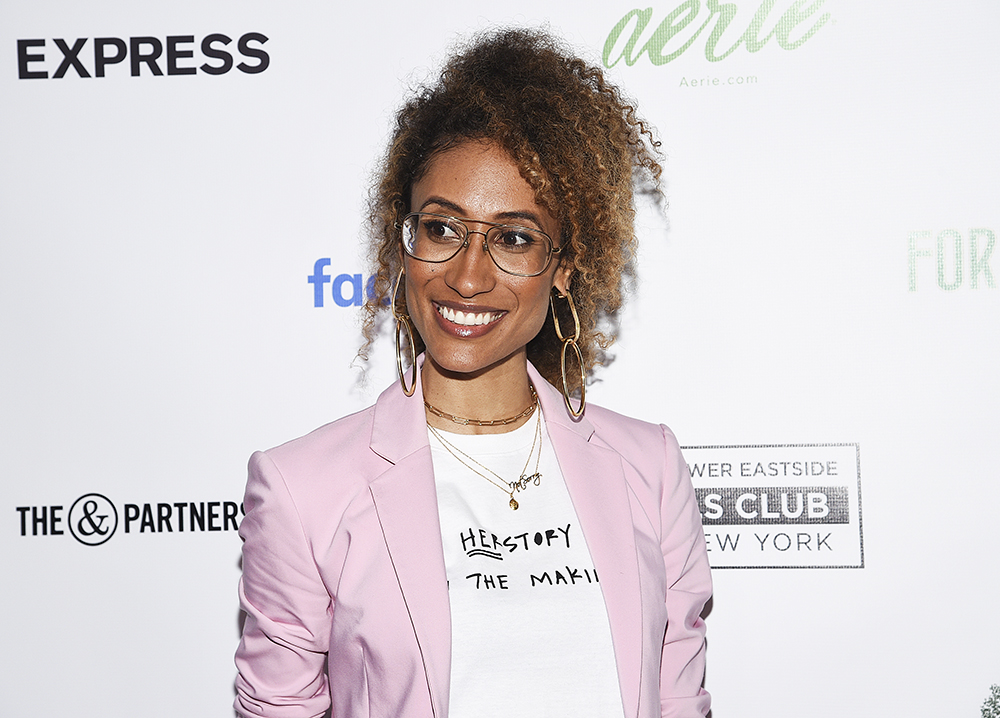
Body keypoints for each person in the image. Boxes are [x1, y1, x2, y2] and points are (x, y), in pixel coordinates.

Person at [234, 27, 711, 718]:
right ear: (405, 242)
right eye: (442, 228)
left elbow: (677, 698)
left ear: (565, 269)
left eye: (514, 238)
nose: (467, 274)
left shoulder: (650, 468)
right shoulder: (303, 488)